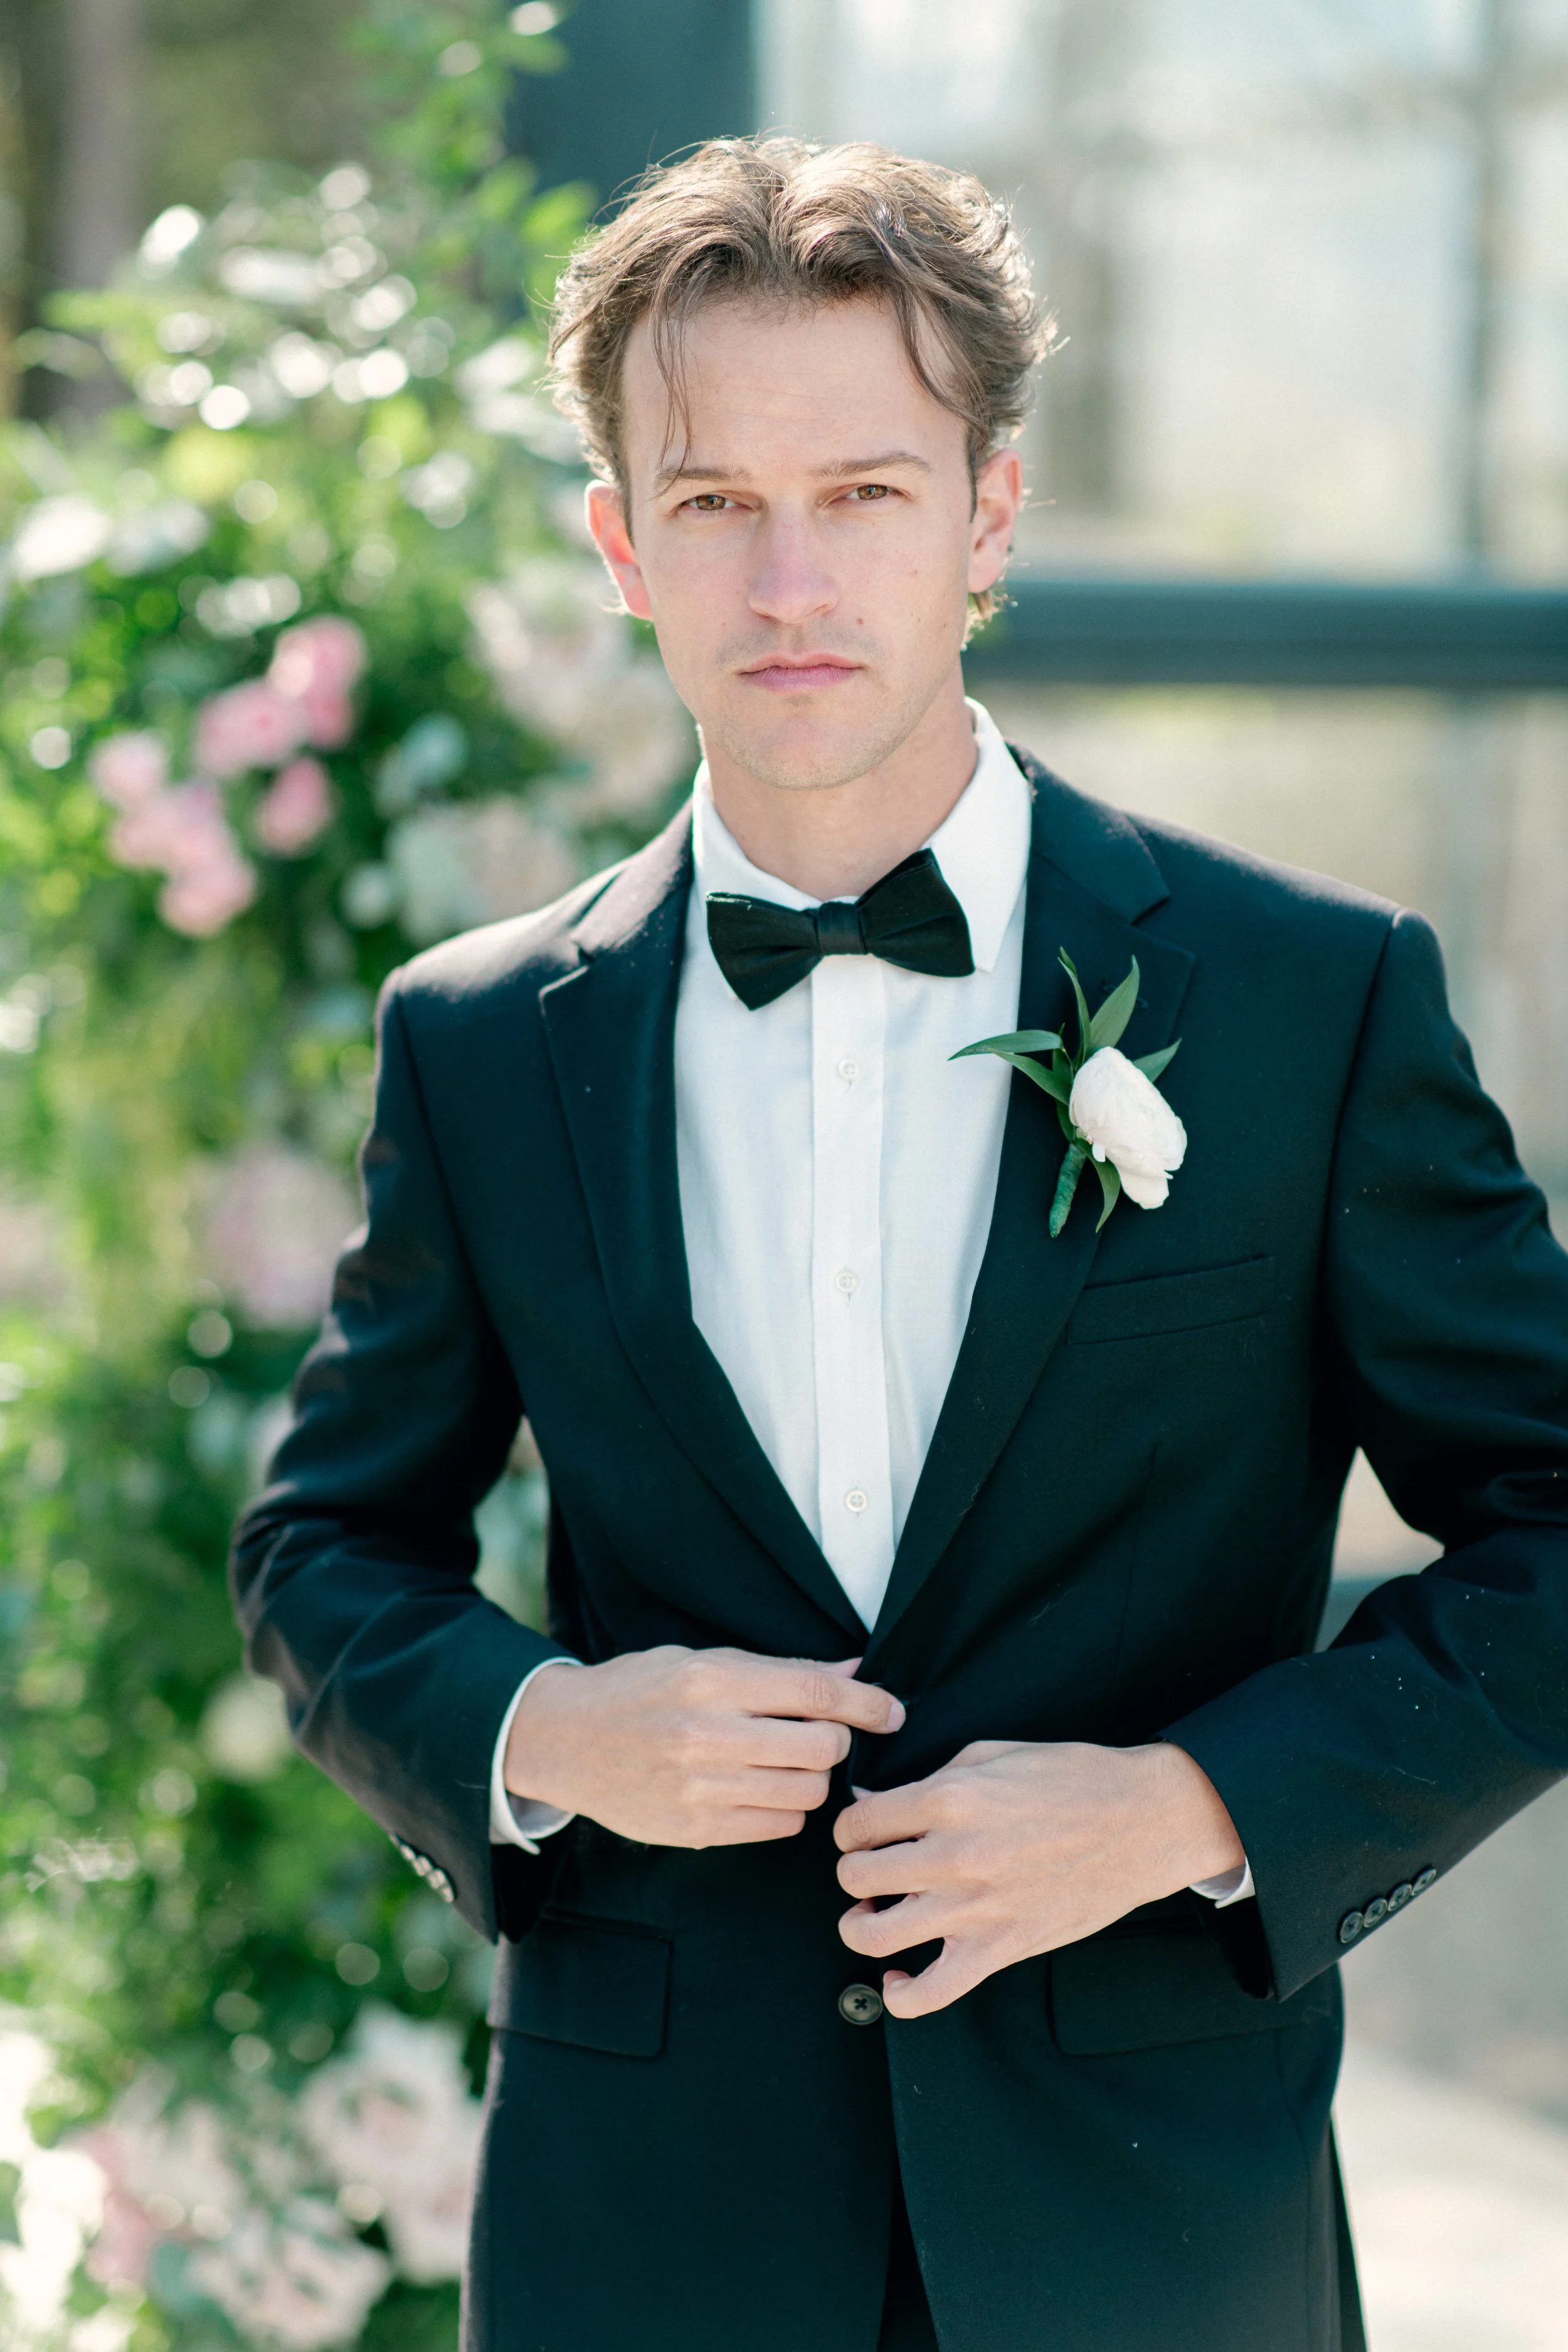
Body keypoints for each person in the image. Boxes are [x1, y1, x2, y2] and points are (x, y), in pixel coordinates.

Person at [231, 137, 1568, 2352]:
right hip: (646, 2239)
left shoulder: (1307, 1000)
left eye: (860, 492)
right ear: (619, 546)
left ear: (990, 517)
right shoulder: (477, 1042)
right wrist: (550, 1727)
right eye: (712, 503)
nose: (789, 581)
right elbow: (322, 1547)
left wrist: (1188, 1806)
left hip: (1150, 2228)